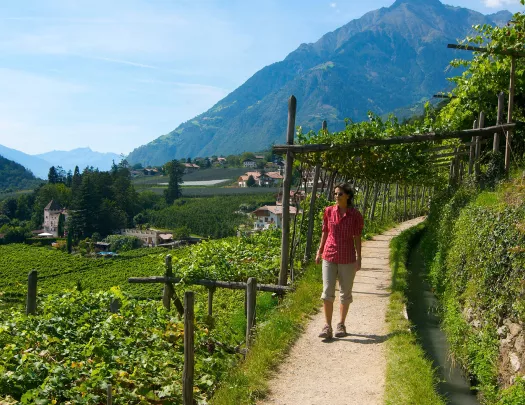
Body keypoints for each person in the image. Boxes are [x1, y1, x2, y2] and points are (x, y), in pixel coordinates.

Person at [315, 183, 363, 339]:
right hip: (329, 255)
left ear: (348, 196)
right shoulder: (328, 211)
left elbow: (357, 237)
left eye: (340, 194)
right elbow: (325, 232)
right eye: (335, 194)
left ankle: (341, 324)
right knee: (327, 291)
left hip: (347, 258)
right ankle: (327, 326)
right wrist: (319, 251)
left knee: (345, 292)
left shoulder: (355, 215)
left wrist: (359, 258)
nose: (336, 196)